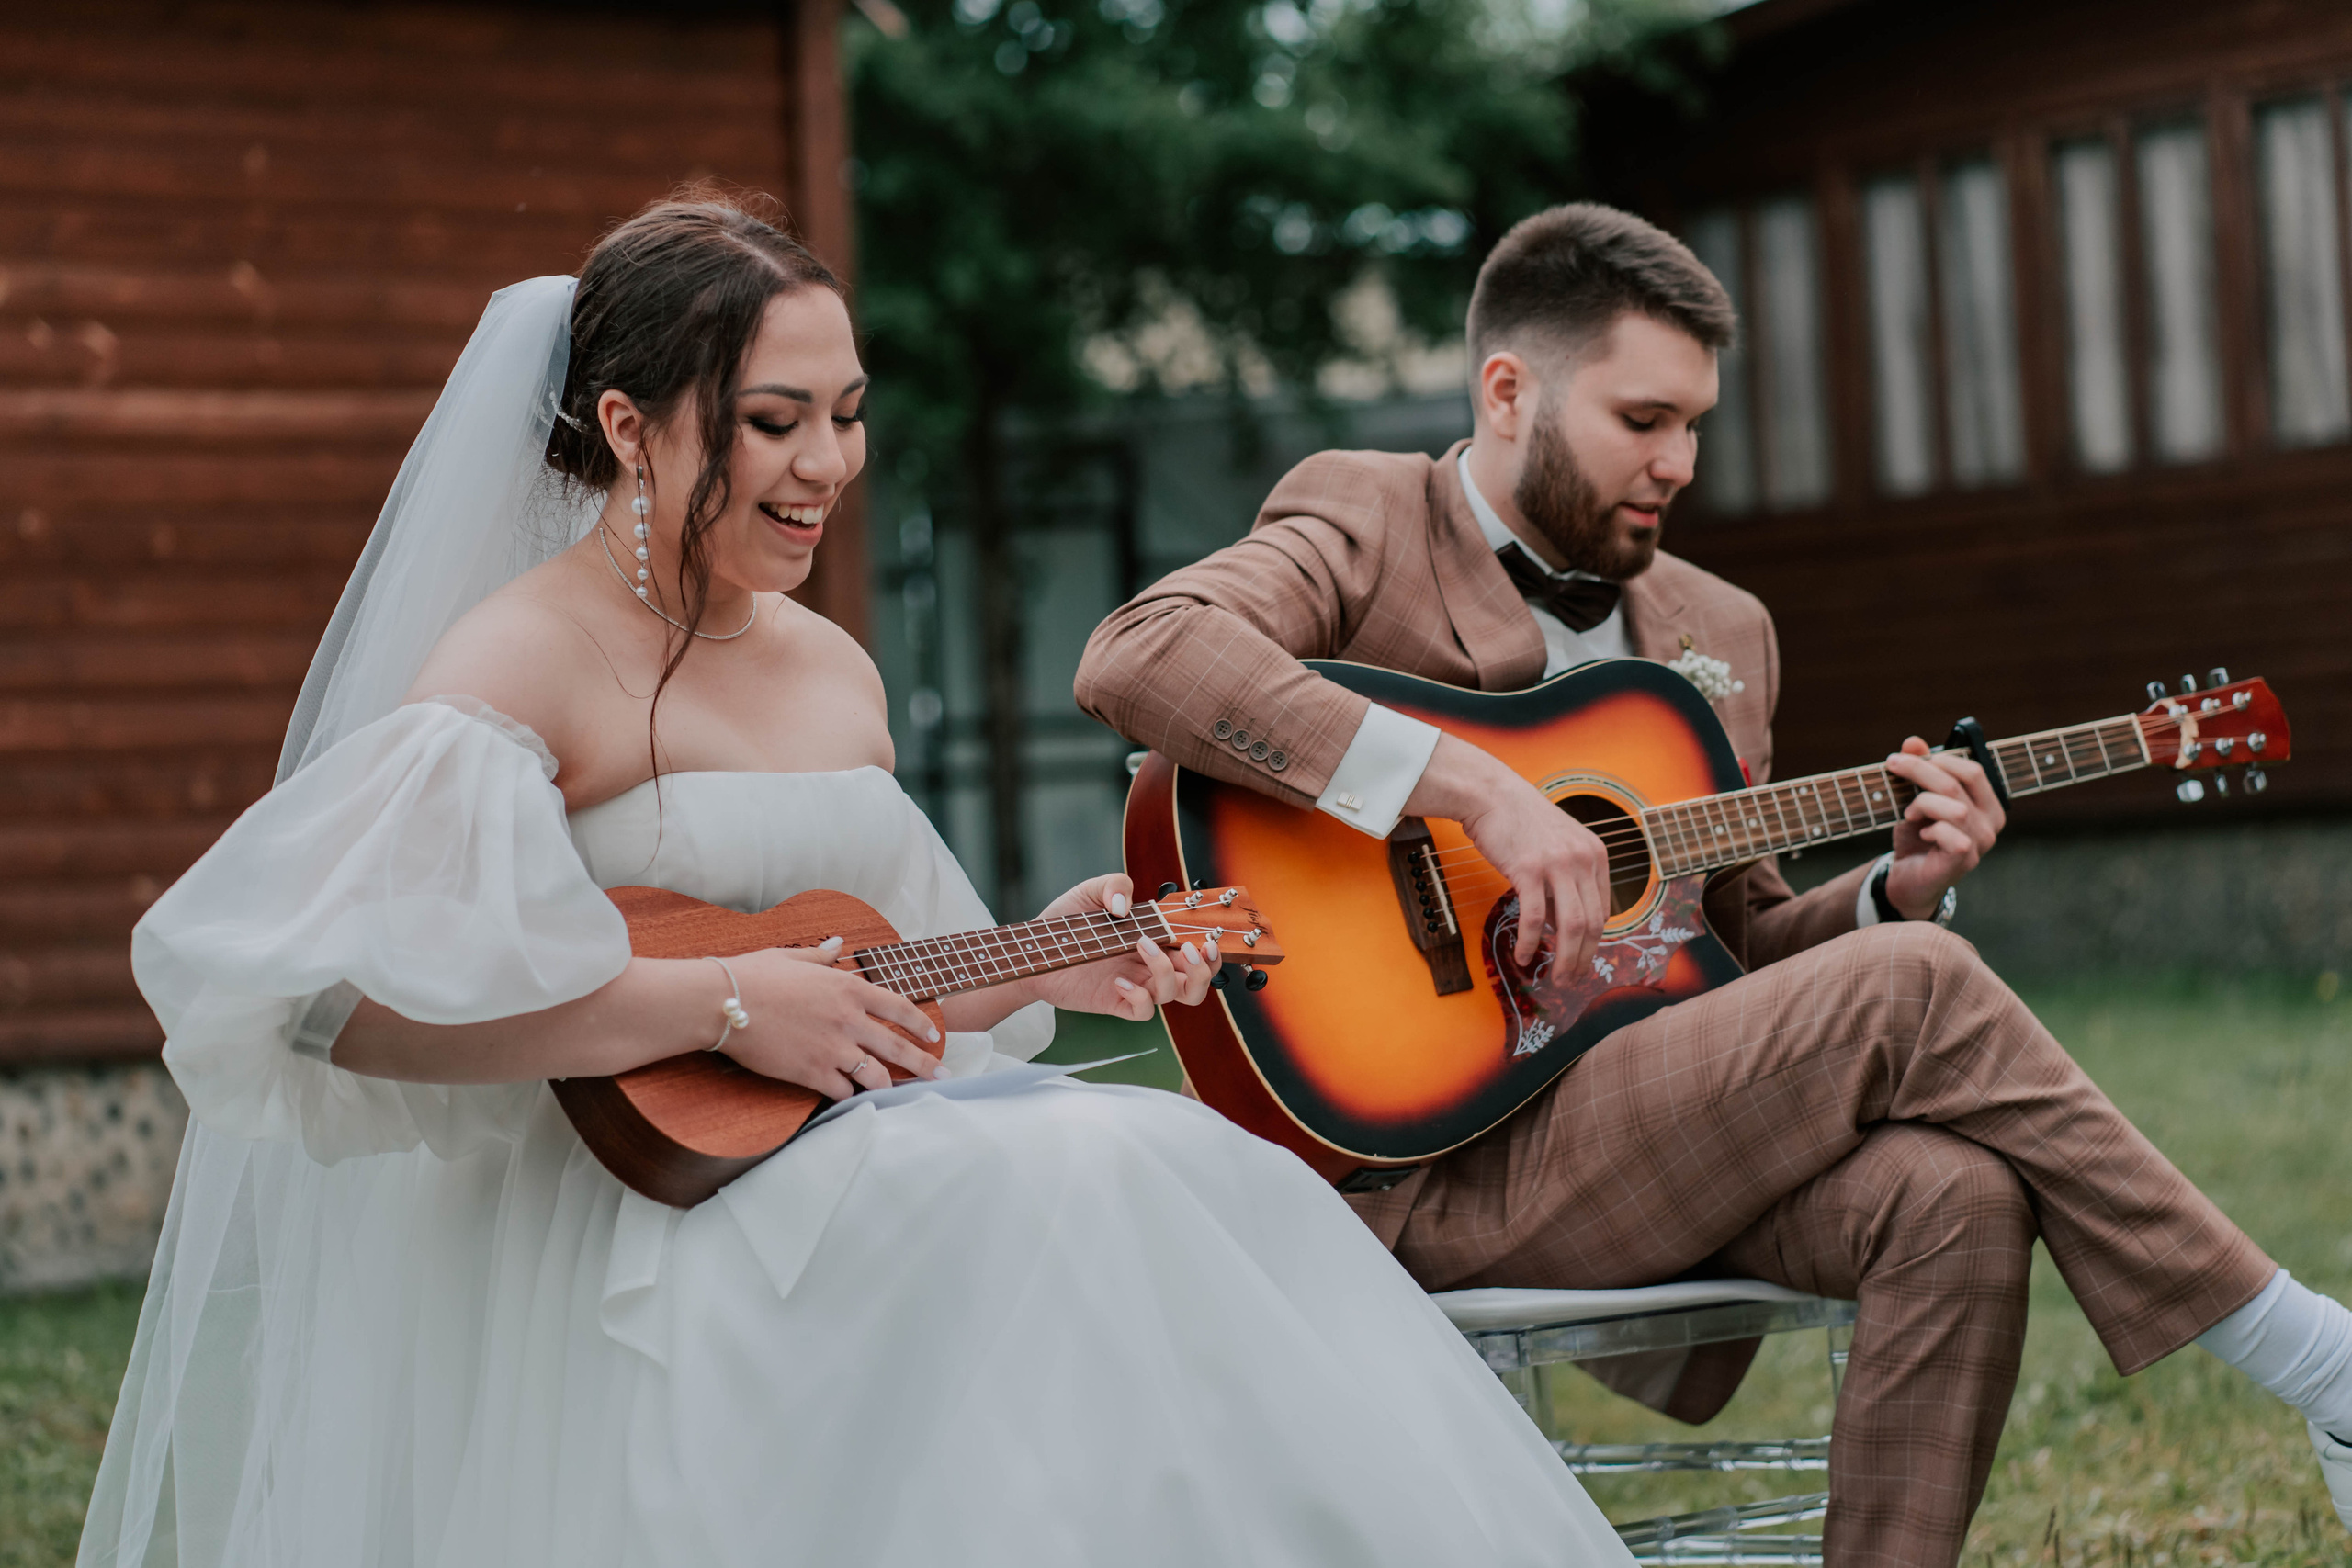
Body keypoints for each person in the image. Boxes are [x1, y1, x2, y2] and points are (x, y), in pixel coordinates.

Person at [78, 196, 1639, 1568]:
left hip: (859, 1159)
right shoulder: (520, 662)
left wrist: (1044, 961)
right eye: (774, 421)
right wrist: (720, 1003)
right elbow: (328, 1006)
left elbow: (888, 987)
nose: (827, 464)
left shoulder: (831, 667)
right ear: (627, 426)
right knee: (1074, 1183)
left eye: (847, 412)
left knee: (1190, 1172)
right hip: (635, 1220)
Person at [1074, 201, 2352, 1568]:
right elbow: (1141, 652)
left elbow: (1732, 946)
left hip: (1653, 1131)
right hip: (1422, 1154)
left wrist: (1891, 894)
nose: (1678, 462)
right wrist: (1477, 790)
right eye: (1642, 419)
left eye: (1694, 425)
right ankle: (2322, 1366)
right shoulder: (1370, 516)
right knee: (1915, 988)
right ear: (1508, 392)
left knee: (1956, 1194)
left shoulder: (1721, 627)